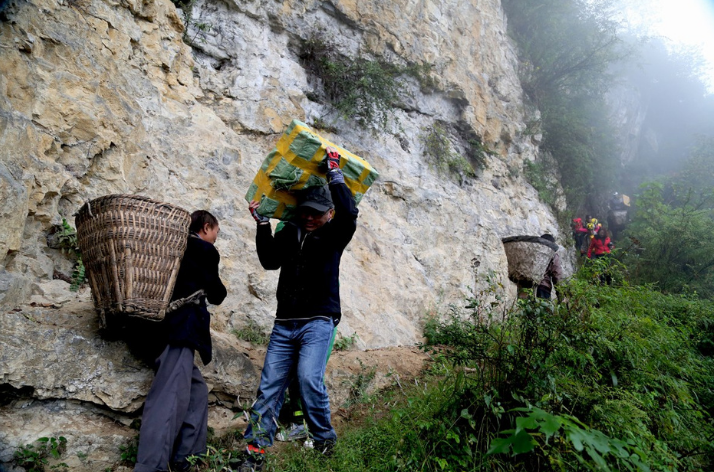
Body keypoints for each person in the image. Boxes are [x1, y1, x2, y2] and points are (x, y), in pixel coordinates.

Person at [241, 146, 359, 471]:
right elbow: (269, 261)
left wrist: (335, 173)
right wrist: (263, 224)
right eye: (305, 210)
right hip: (285, 323)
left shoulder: (335, 234)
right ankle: (254, 454)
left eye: (316, 212)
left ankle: (324, 442)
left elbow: (350, 213)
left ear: (329, 213)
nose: (309, 216)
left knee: (308, 379)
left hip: (318, 321)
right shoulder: (290, 231)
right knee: (268, 390)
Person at [134, 211, 227, 472]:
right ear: (206, 227)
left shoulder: (170, 249)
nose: (216, 239)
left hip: (156, 330)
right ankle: (151, 466)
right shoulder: (202, 250)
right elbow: (217, 293)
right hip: (178, 331)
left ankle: (188, 457)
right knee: (169, 398)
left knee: (196, 392)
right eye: (216, 233)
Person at [536, 234, 563, 299]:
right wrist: (560, 294)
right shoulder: (553, 254)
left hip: (527, 286)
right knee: (542, 308)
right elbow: (556, 274)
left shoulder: (534, 252)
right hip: (543, 288)